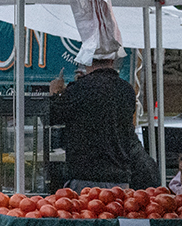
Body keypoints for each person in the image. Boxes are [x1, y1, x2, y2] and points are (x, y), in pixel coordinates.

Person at [48, 55, 138, 189]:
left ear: (87, 61)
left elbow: (54, 116)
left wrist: (55, 93)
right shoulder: (127, 90)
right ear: (112, 60)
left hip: (84, 176)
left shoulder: (79, 89)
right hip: (119, 177)